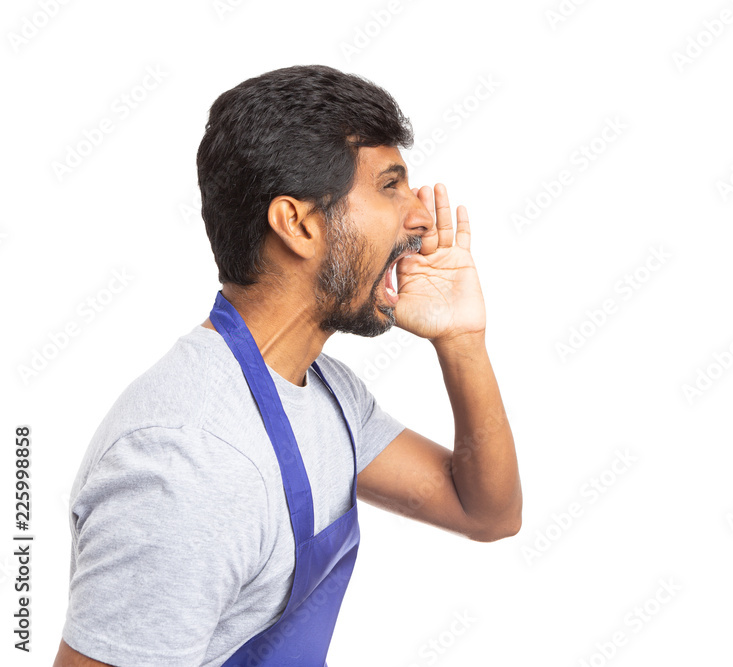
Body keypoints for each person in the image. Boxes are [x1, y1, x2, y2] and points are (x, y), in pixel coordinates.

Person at [53, 65, 522, 667]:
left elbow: (487, 511)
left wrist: (461, 343)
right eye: (389, 186)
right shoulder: (188, 460)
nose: (423, 218)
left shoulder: (324, 392)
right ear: (296, 223)